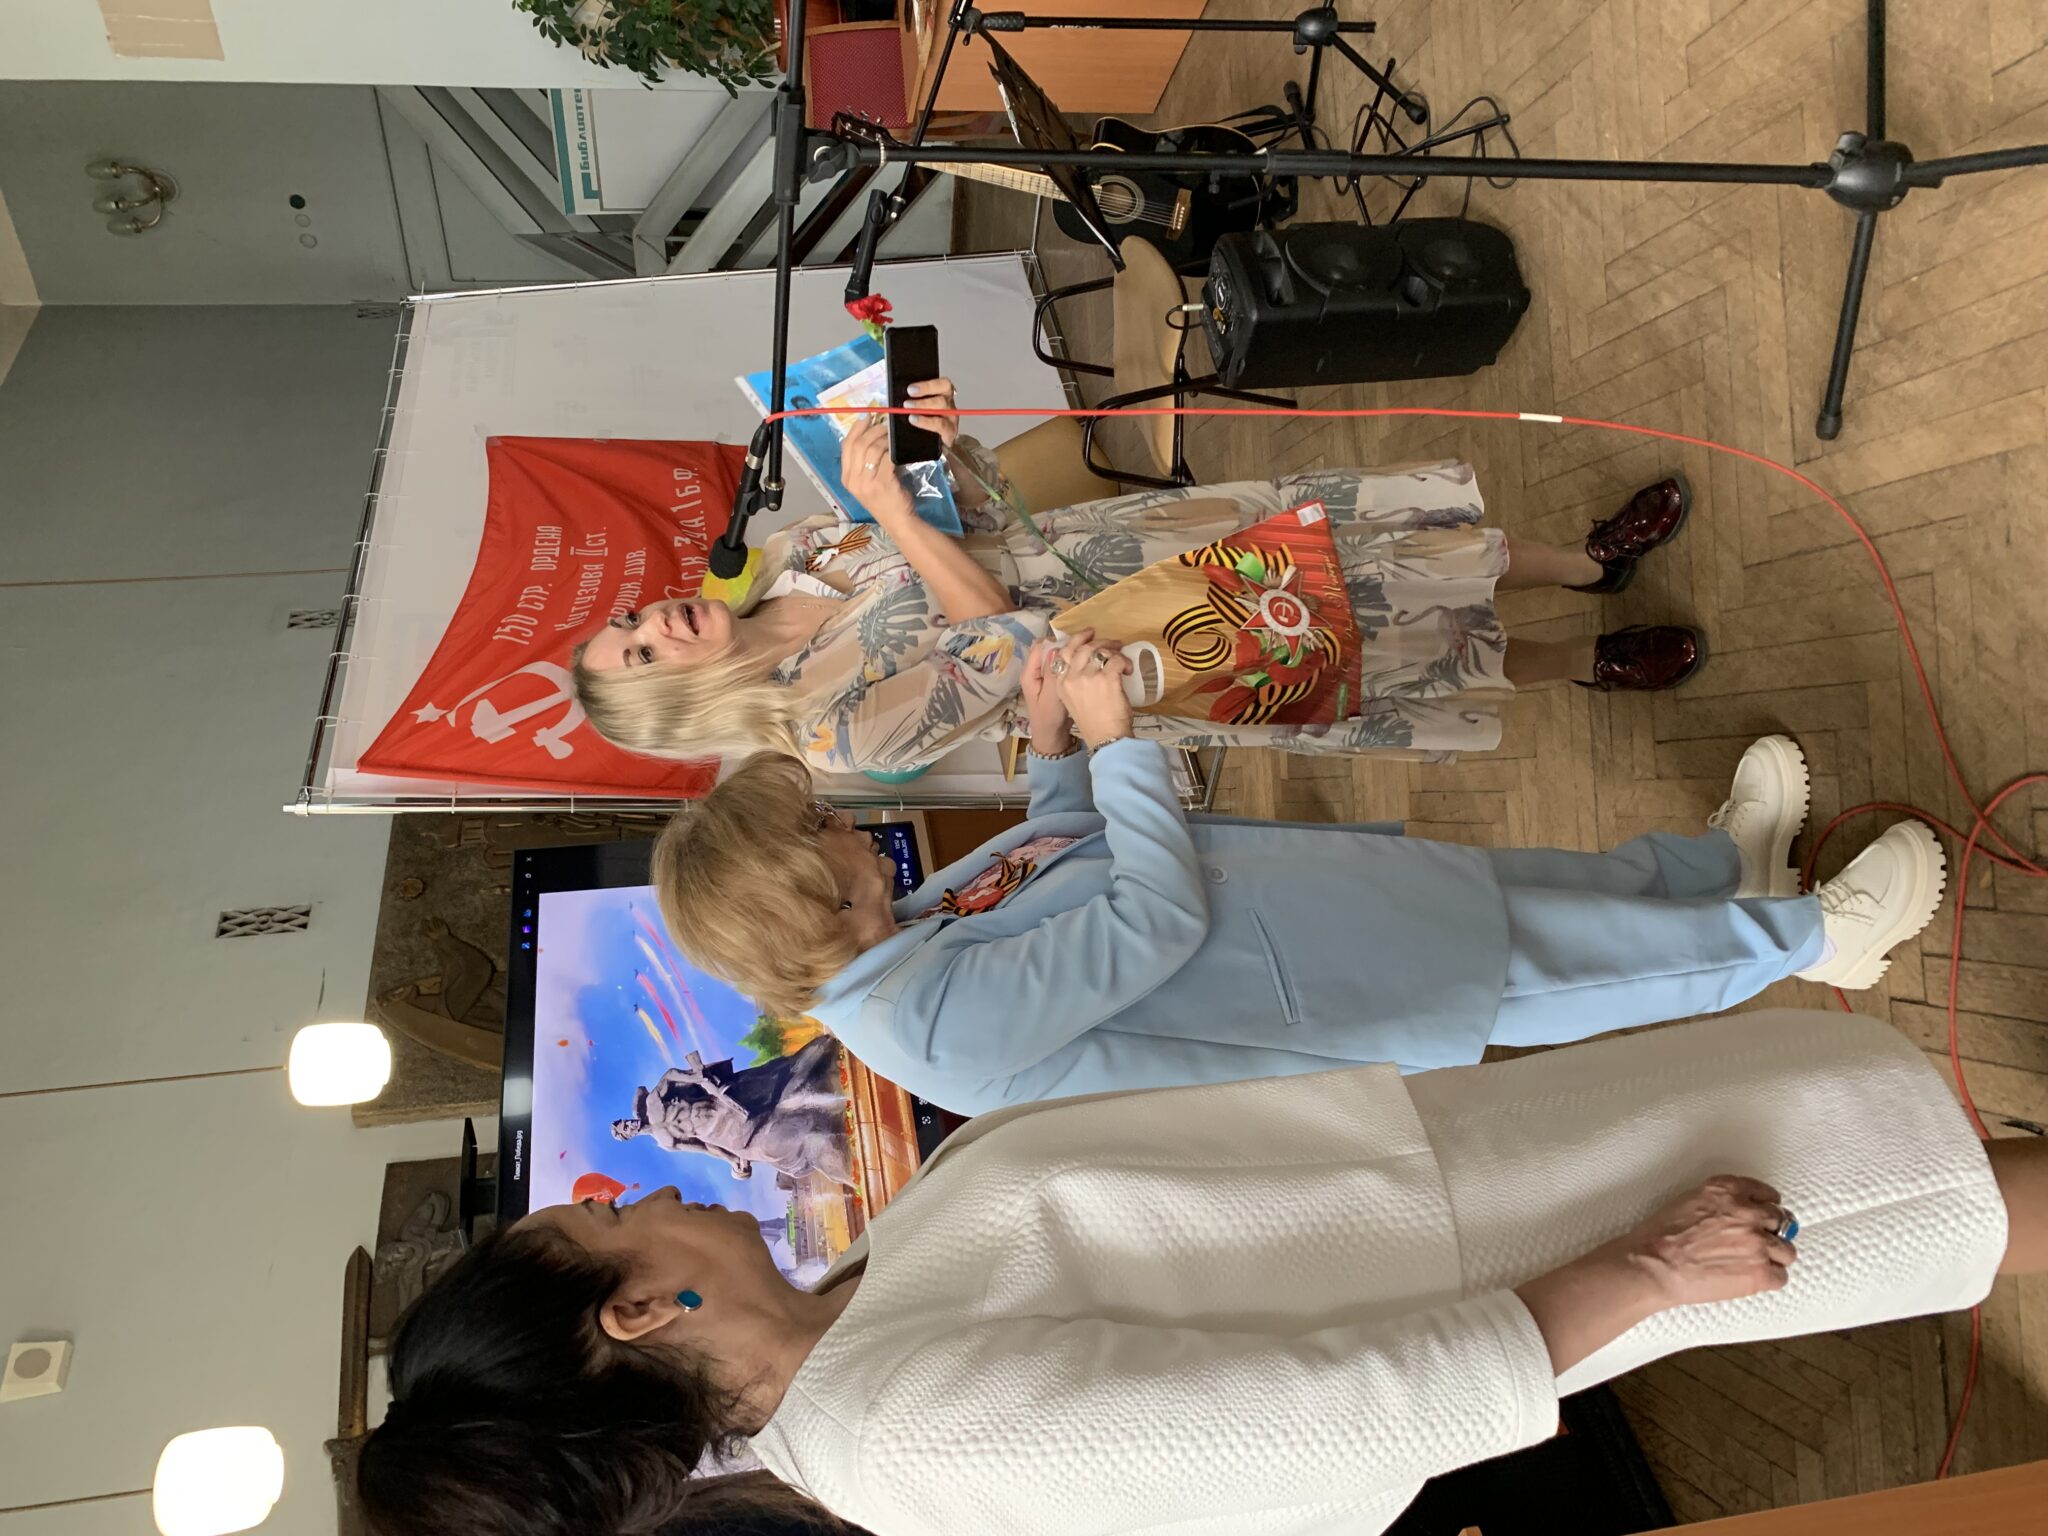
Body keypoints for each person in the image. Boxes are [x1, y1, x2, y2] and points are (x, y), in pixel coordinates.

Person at [351, 1008, 2048, 1536]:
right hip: (1535, 1247)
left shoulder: (853, 1311)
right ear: (633, 1311)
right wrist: (1648, 1271)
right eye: (600, 1223)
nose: (638, 1190)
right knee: (1931, 1197)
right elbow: (1333, 1418)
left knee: (1910, 1149)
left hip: (1496, 1171)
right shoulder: (896, 1437)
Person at [651, 634, 1947, 1115]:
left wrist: (1052, 747)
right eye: (814, 831)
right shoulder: (926, 1022)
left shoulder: (901, 926)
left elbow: (1062, 854)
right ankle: (1810, 941)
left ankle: (1725, 868)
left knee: (1565, 887)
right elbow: (1147, 921)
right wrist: (1120, 743)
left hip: (1329, 910)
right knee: (1589, 962)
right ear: (806, 897)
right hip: (1343, 980)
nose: (839, 825)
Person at [572, 379, 1710, 775]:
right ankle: (1589, 661)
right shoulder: (834, 735)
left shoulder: (795, 554)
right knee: (1400, 647)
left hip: (1123, 542)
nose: (654, 622)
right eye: (641, 653)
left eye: (631, 619)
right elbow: (1004, 644)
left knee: (1386, 556)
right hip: (1151, 648)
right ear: (676, 701)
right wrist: (894, 516)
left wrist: (939, 448)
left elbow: (976, 522)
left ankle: (1584, 562)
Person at [613, 1037, 854, 1190]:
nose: (628, 1126)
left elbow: (668, 1075)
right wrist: (732, 1160)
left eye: (624, 1123)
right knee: (771, 1147)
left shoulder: (653, 1104)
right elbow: (704, 1147)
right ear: (629, 1137)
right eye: (625, 1130)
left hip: (721, 1104)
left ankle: (817, 1074)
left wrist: (696, 1077)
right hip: (723, 1135)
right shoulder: (666, 1141)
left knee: (774, 1080)